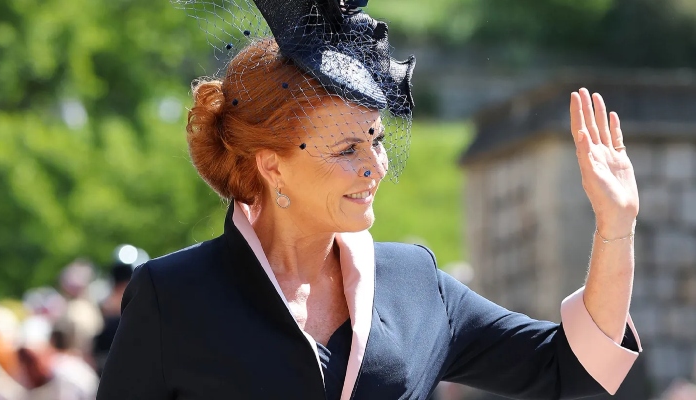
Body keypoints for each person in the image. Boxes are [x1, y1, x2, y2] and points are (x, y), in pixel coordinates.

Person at [97, 0, 642, 398]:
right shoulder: (172, 297)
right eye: (346, 148)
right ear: (271, 165)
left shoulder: (414, 283)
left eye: (376, 140)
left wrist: (615, 227)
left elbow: (575, 368)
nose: (375, 166)